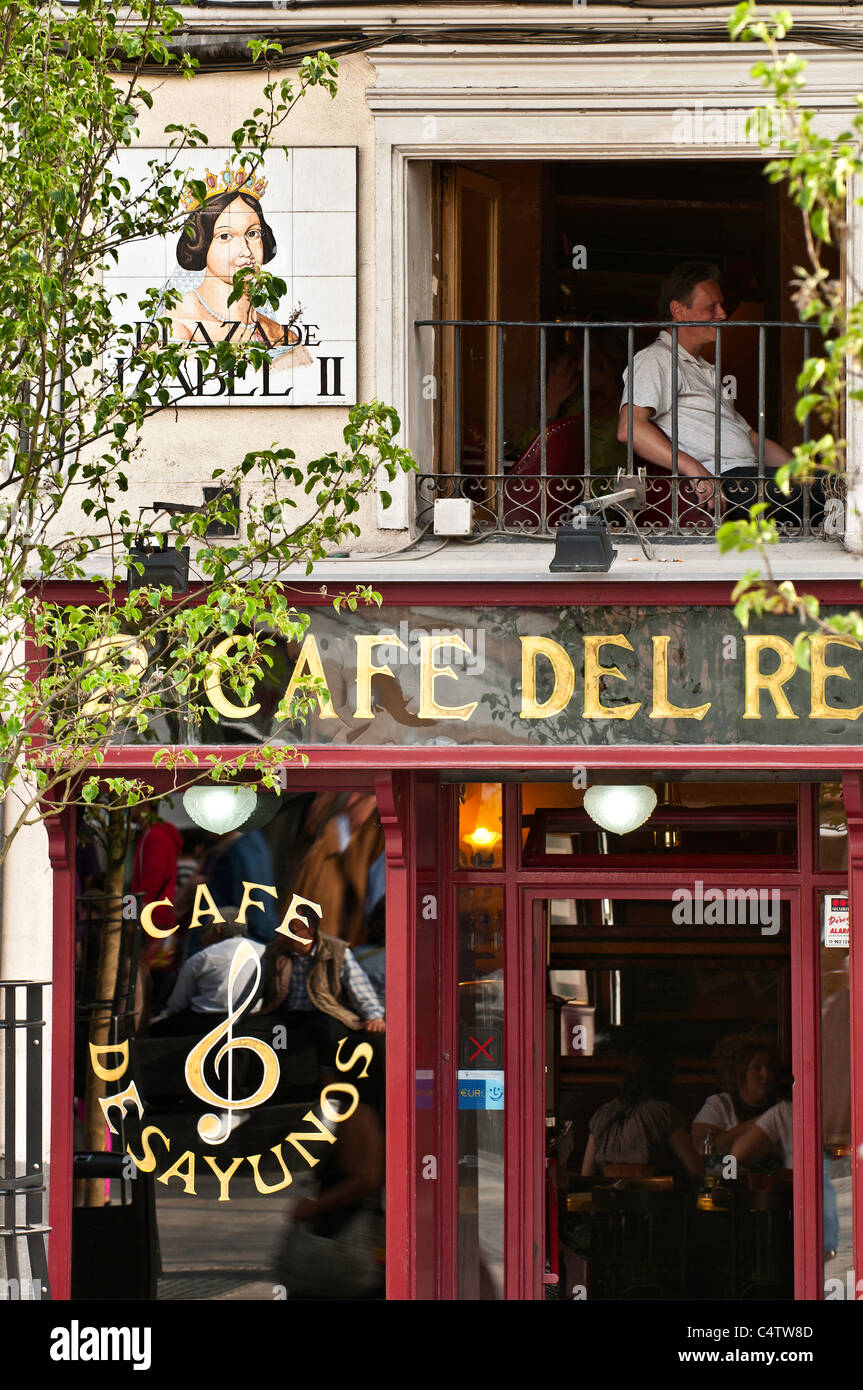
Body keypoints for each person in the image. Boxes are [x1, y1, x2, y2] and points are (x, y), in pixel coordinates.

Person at [617, 260, 797, 512]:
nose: (723, 314)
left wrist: (805, 473)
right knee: (831, 495)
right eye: (711, 307)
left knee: (829, 486)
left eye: (721, 305)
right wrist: (693, 468)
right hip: (725, 484)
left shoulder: (702, 367)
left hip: (749, 478)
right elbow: (629, 428)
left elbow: (753, 440)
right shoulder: (656, 358)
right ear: (678, 310)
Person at [169, 171, 313, 369]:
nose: (246, 251)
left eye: (252, 234)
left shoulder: (281, 336)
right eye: (225, 236)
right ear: (201, 245)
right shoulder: (175, 327)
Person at [259, 904, 385, 1103]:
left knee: (330, 1032)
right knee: (268, 1032)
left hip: (323, 1011)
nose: (282, 933)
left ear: (308, 932)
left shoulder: (335, 949)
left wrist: (374, 1016)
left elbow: (358, 986)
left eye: (290, 928)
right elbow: (259, 985)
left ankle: (330, 1085)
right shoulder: (275, 951)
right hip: (287, 1013)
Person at [581, 1049, 703, 1181]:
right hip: (654, 1200)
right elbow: (697, 1170)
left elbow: (586, 1175)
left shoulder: (603, 1114)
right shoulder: (663, 1114)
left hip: (608, 1200)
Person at [151, 907, 264, 1037]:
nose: (202, 938)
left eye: (203, 931)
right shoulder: (264, 951)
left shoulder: (203, 957)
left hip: (208, 1022)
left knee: (155, 1031)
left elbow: (177, 1004)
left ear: (218, 930)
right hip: (251, 1020)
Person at [691, 1033, 778, 1156]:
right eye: (757, 1068)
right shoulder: (719, 1105)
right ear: (738, 1071)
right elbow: (700, 1149)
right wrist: (761, 1123)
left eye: (770, 1067)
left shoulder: (782, 1108)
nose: (766, 1074)